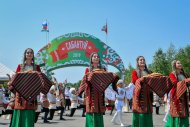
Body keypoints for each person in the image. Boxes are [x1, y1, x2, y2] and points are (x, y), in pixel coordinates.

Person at [78, 52, 119, 127]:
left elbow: (107, 80)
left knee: (99, 111)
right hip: (90, 94)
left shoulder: (103, 69)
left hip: (100, 93)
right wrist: (79, 93)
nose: (96, 57)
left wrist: (113, 76)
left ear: (99, 59)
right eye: (94, 56)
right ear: (91, 59)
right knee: (90, 111)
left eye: (97, 56)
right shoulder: (88, 69)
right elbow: (85, 81)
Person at [9, 48, 41, 127]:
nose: (29, 54)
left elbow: (40, 80)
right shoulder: (20, 66)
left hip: (31, 94)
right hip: (20, 95)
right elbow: (15, 80)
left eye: (31, 53)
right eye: (27, 53)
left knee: (29, 113)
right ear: (25, 55)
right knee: (19, 112)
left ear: (33, 55)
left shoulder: (37, 67)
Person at [165, 60, 189, 127]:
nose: (180, 64)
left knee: (184, 113)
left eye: (180, 63)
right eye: (178, 63)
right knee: (176, 113)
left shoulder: (184, 74)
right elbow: (175, 84)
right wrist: (186, 81)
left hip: (184, 97)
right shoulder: (172, 74)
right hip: (176, 97)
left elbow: (188, 84)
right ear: (174, 65)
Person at [131, 56, 153, 127]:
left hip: (148, 95)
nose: (142, 61)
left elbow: (153, 81)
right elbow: (135, 81)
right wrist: (143, 79)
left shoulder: (149, 72)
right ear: (137, 62)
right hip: (139, 95)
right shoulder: (135, 72)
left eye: (143, 60)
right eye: (140, 60)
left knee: (147, 112)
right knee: (139, 112)